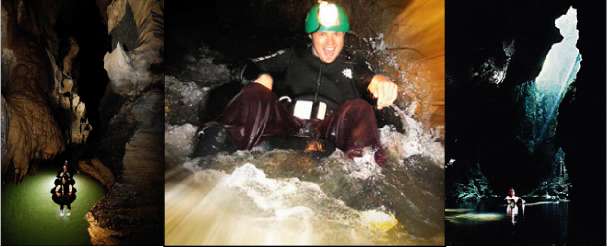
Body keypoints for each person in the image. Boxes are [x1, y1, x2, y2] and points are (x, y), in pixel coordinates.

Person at [198, 1, 398, 166]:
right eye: (323, 34)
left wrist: (382, 82)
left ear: (344, 36)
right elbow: (250, 66)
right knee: (255, 91)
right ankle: (215, 147)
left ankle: (367, 173)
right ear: (311, 36)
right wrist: (263, 78)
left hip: (329, 132)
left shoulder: (352, 63)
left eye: (336, 34)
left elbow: (370, 78)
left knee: (360, 108)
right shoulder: (293, 55)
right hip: (286, 126)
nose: (330, 43)